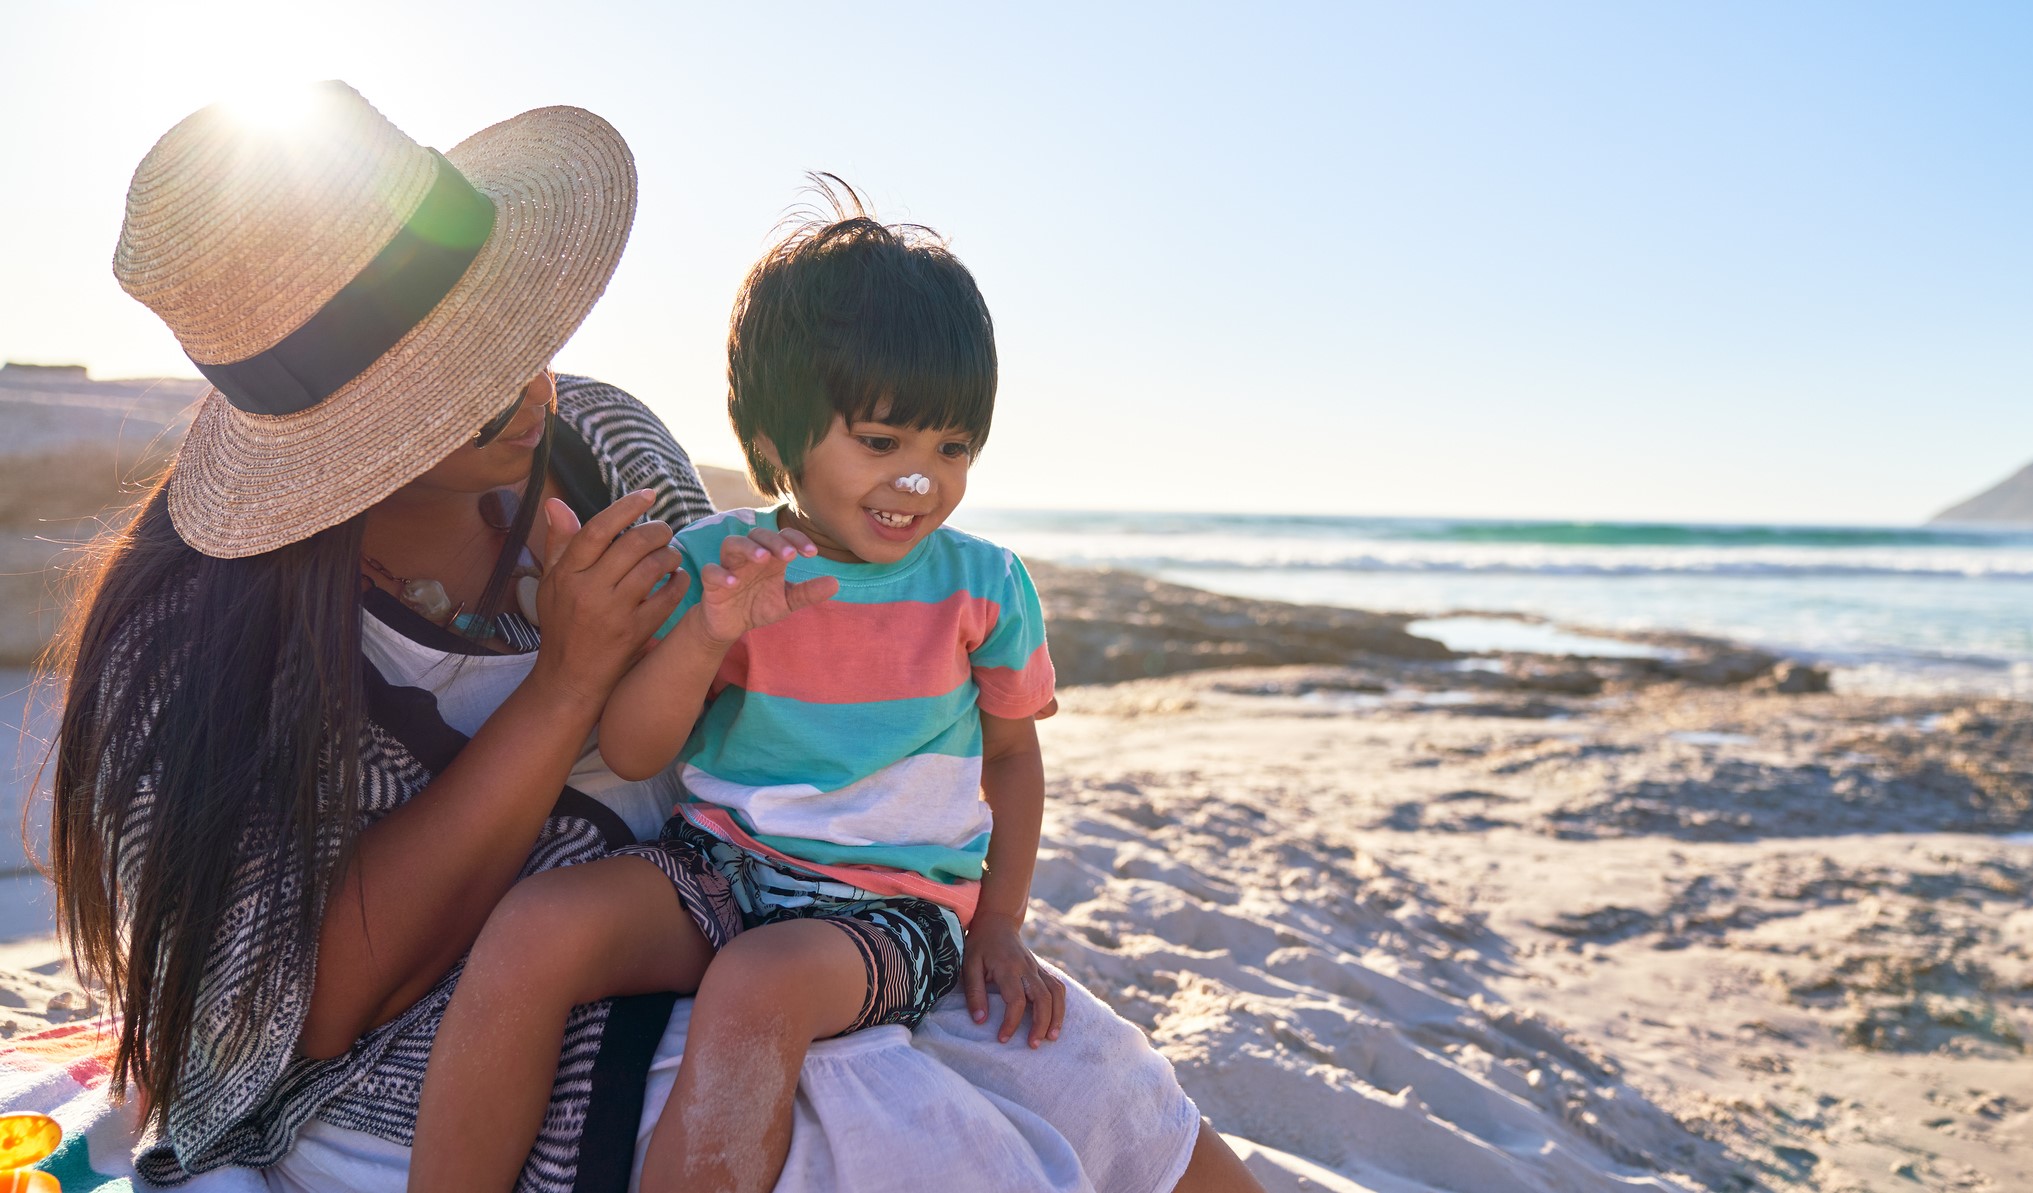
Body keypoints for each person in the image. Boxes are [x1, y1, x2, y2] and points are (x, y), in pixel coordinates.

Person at [47, 81, 1266, 1193]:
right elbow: (308, 1006)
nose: (534, 396)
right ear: (338, 432)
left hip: (748, 896)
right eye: (468, 392)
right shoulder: (194, 642)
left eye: (521, 337)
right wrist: (565, 682)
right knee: (869, 1125)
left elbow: (759, 694)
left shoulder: (600, 442)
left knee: (1091, 1069)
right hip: (432, 1037)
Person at [412, 191, 1068, 1193]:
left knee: (757, 987)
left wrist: (1001, 924)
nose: (920, 482)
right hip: (718, 864)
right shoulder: (716, 561)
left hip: (888, 911)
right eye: (881, 442)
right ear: (777, 437)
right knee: (534, 927)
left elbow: (1013, 757)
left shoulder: (982, 586)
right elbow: (635, 750)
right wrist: (711, 629)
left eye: (951, 448)